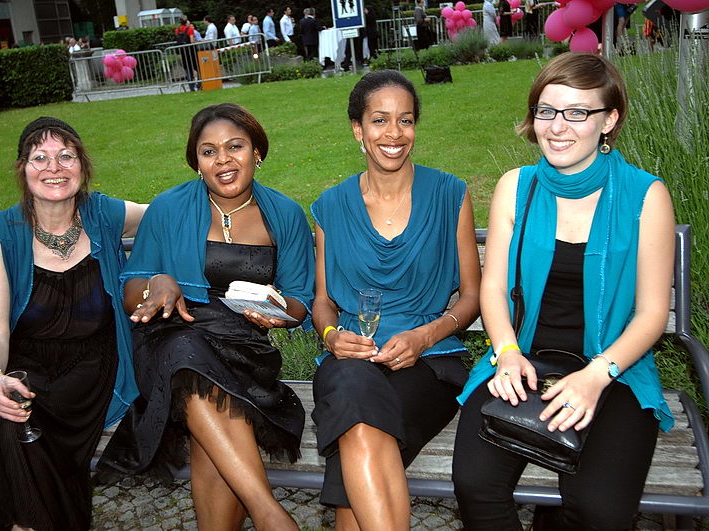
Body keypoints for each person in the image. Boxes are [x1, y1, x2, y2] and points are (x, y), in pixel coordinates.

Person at [452, 52, 676, 530]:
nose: (557, 127)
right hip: (522, 358)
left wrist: (597, 375)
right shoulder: (517, 187)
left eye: (577, 112)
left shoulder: (645, 196)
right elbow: (494, 288)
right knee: (476, 486)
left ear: (609, 120)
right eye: (547, 110)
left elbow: (653, 313)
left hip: (612, 368)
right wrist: (506, 352)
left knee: (600, 510)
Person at [99, 103, 315, 530]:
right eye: (209, 151)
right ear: (196, 161)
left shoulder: (284, 213)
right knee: (187, 356)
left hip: (244, 347)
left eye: (235, 147)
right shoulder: (168, 207)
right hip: (171, 338)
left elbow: (300, 301)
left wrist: (277, 312)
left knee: (209, 438)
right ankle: (269, 514)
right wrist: (157, 283)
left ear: (257, 152)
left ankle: (265, 515)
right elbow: (131, 293)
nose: (223, 160)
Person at [311, 70, 481, 530]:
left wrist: (424, 336)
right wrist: (331, 336)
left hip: (429, 362)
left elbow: (472, 297)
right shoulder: (330, 206)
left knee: (357, 431)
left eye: (405, 120)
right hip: (350, 358)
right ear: (358, 129)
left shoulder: (449, 194)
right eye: (380, 120)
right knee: (354, 394)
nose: (394, 134)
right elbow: (323, 302)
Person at [0, 117, 146, 530]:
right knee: (8, 412)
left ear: (82, 165)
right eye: (40, 157)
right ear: (22, 168)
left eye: (66, 156)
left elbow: (168, 215)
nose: (54, 167)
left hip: (94, 367)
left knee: (20, 430)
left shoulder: (102, 213)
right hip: (28, 364)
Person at [174, 16, 199, 92]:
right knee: (197, 67)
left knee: (188, 69)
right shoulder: (190, 29)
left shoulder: (177, 30)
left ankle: (191, 87)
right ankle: (199, 85)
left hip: (183, 52)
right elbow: (191, 41)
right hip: (191, 51)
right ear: (186, 21)